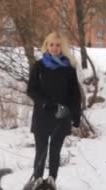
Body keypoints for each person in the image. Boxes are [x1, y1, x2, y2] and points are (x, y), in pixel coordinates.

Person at [27, 32, 82, 181]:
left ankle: (51, 181)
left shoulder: (69, 68)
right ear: (46, 46)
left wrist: (76, 115)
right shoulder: (39, 66)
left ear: (62, 47)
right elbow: (31, 89)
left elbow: (74, 94)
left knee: (55, 151)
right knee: (41, 151)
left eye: (58, 45)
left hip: (61, 115)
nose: (54, 48)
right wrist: (44, 102)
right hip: (42, 114)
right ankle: (37, 180)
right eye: (51, 44)